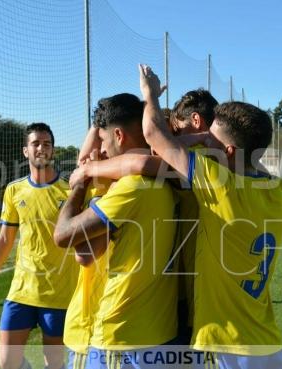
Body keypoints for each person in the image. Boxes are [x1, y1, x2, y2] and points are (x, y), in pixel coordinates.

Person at [139, 64, 282, 368]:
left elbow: (153, 134)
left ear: (229, 152)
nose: (205, 141)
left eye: (211, 140)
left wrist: (150, 94)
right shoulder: (278, 189)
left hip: (231, 346)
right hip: (268, 343)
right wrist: (210, 140)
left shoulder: (221, 186)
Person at [54, 93, 178, 369]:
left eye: (105, 140)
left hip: (121, 332)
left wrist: (81, 184)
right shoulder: (171, 178)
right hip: (161, 328)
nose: (102, 151)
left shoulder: (130, 187)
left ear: (119, 136)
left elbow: (68, 240)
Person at [0, 123, 79, 369]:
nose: (41, 148)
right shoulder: (14, 190)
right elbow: (6, 238)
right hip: (21, 290)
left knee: (55, 364)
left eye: (46, 144)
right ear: (25, 150)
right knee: (7, 362)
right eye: (35, 143)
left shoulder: (69, 191)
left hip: (58, 293)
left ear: (53, 151)